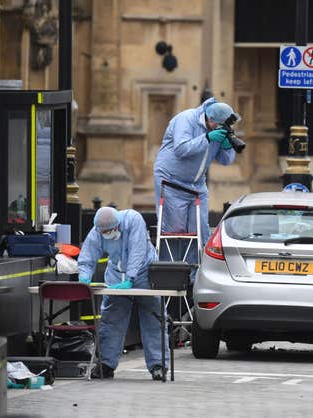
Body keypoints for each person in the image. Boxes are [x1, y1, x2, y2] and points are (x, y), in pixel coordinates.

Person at [78, 206, 168, 380]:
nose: (106, 234)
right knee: (111, 318)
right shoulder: (98, 230)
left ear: (117, 226)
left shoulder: (134, 220)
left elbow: (138, 251)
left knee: (153, 317)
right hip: (116, 273)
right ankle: (106, 364)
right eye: (103, 231)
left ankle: (158, 365)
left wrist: (130, 278)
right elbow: (88, 254)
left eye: (109, 230)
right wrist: (84, 278)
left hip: (144, 272)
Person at [153, 98, 240, 267]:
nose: (223, 129)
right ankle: (171, 274)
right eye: (220, 125)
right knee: (174, 231)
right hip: (171, 182)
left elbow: (225, 161)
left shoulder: (217, 128)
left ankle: (194, 277)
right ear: (211, 120)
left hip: (197, 186)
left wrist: (227, 146)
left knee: (200, 231)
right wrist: (207, 138)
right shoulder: (186, 119)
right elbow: (181, 149)